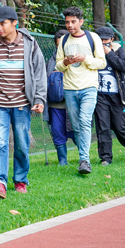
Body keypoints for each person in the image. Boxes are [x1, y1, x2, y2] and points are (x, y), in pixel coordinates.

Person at [0, 6, 46, 199]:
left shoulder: (30, 44)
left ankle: (20, 180)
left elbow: (40, 73)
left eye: (2, 24)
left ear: (14, 23)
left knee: (22, 144)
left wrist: (40, 98)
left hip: (22, 103)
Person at [56, 6, 106, 175]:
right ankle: (84, 157)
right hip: (69, 89)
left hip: (89, 87)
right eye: (67, 22)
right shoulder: (63, 40)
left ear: (81, 22)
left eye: (73, 21)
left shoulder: (93, 38)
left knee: (85, 121)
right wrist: (66, 63)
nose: (70, 25)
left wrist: (85, 58)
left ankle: (84, 160)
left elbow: (102, 63)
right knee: (77, 126)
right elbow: (58, 65)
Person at [93, 27, 125, 166]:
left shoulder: (117, 50)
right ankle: (106, 158)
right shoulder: (93, 52)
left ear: (112, 39)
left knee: (119, 127)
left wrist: (109, 54)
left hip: (118, 96)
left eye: (106, 40)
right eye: (100, 40)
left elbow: (124, 66)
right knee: (103, 127)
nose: (103, 42)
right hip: (100, 96)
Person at [44, 29, 75, 165]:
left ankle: (84, 158)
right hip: (55, 105)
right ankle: (63, 161)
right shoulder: (51, 61)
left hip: (72, 103)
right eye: (58, 45)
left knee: (76, 132)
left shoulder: (77, 58)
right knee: (57, 132)